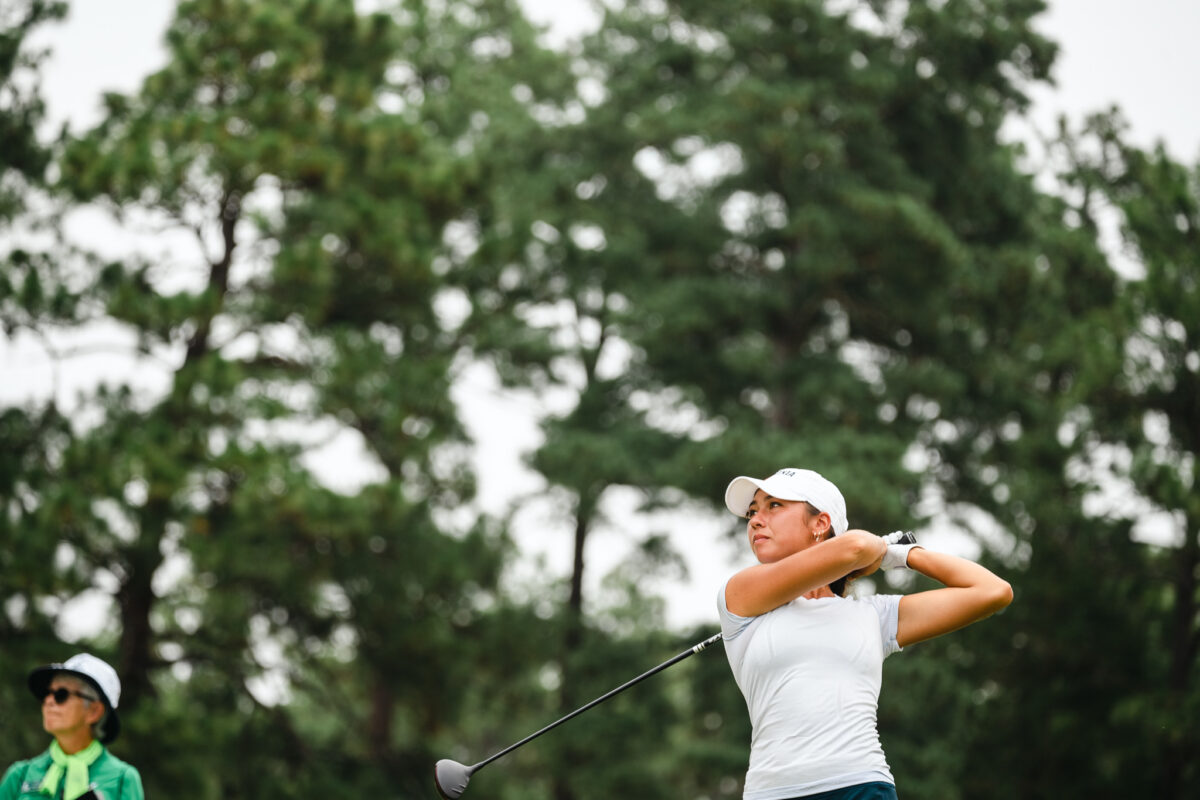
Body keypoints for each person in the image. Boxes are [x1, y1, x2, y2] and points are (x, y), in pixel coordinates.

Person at [718, 468, 1013, 800]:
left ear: (820, 523)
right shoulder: (741, 597)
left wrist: (901, 555)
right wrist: (873, 550)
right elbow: (856, 546)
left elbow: (993, 591)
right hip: (770, 793)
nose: (755, 520)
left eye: (773, 506)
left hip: (859, 786)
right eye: (752, 511)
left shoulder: (875, 615)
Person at [0, 653, 144, 800]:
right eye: (48, 693)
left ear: (94, 711)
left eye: (61, 694)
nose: (49, 701)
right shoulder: (19, 776)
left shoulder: (123, 779)